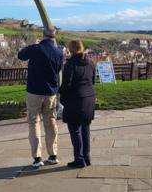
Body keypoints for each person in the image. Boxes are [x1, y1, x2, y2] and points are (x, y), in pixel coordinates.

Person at [18, 28, 63, 168]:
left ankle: (37, 158)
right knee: (50, 123)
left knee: (34, 123)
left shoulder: (36, 48)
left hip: (34, 91)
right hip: (50, 92)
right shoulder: (59, 52)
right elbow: (58, 70)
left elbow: (21, 55)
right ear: (54, 37)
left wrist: (33, 44)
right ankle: (53, 154)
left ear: (43, 36)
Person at [59, 40, 96, 168]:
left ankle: (79, 159)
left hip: (75, 100)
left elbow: (66, 85)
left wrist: (61, 95)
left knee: (75, 129)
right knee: (85, 129)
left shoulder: (70, 64)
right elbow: (93, 80)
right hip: (89, 98)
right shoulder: (91, 62)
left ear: (71, 49)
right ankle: (87, 157)